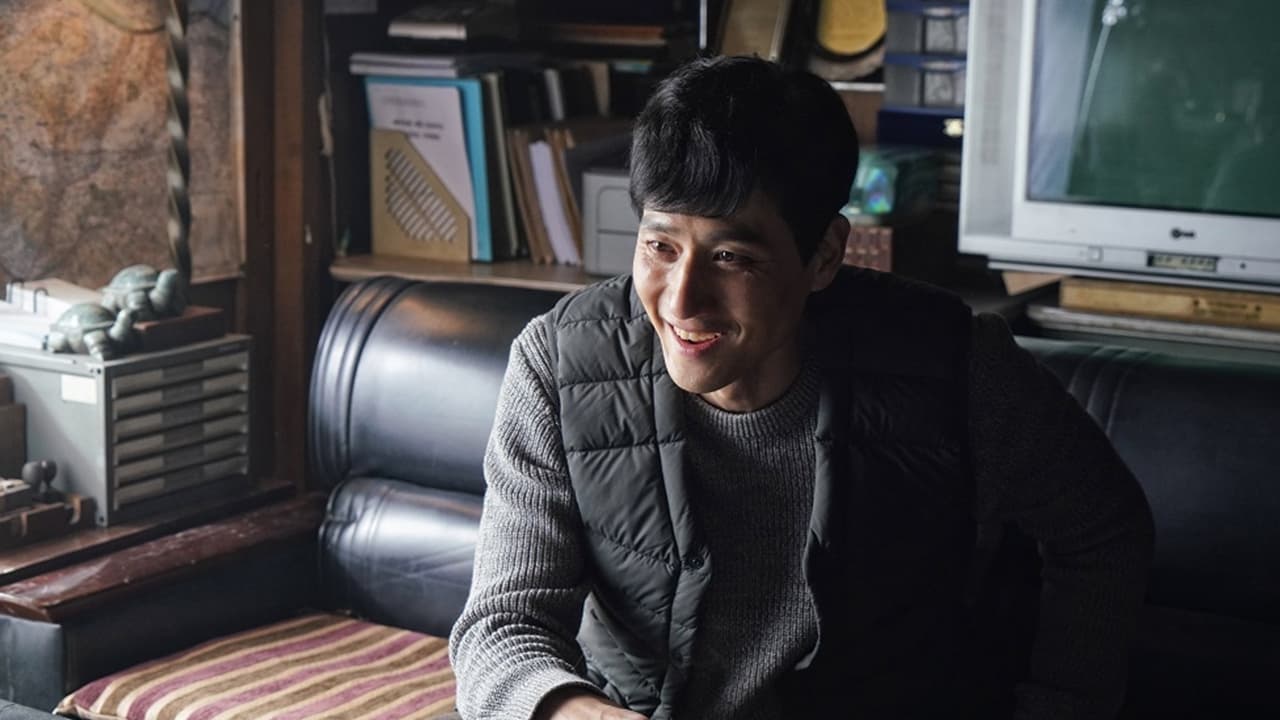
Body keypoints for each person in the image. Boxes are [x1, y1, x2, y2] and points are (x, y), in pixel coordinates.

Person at [448, 55, 1153, 720]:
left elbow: (1102, 529)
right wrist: (575, 711)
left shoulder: (954, 364)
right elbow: (502, 627)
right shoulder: (560, 365)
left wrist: (1062, 705)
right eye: (660, 247)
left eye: (731, 257)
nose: (682, 300)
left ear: (824, 256)